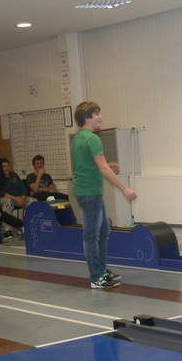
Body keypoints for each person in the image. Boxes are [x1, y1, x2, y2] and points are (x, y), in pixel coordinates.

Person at [71, 101, 136, 288]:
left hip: (89, 191)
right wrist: (125, 188)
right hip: (90, 193)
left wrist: (108, 166)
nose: (100, 117)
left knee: (104, 229)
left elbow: (91, 164)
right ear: (87, 118)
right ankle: (96, 277)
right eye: (96, 114)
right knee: (91, 235)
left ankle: (101, 269)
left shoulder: (79, 138)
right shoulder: (92, 139)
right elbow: (103, 169)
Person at [0, 158, 27, 239]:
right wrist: (16, 199)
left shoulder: (14, 175)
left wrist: (23, 197)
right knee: (7, 203)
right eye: (4, 166)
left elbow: (23, 188)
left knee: (33, 202)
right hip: (6, 198)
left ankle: (26, 225)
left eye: (8, 166)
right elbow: (1, 193)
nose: (6, 168)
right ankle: (7, 231)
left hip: (19, 197)